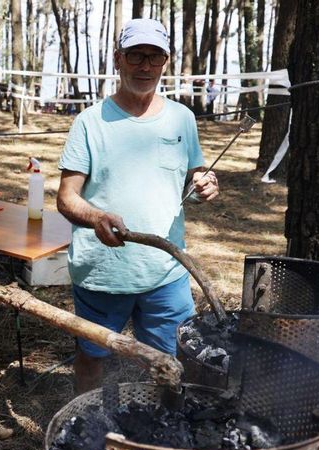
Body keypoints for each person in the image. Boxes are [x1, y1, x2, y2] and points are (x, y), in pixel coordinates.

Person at [56, 18, 220, 394]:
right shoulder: (90, 122)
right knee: (91, 356)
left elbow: (193, 180)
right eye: (136, 56)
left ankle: (170, 433)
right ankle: (87, 428)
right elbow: (66, 198)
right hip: (101, 272)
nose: (145, 66)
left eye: (154, 57)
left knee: (175, 361)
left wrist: (205, 185)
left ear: (166, 62)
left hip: (166, 271)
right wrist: (96, 217)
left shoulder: (182, 118)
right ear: (118, 59)